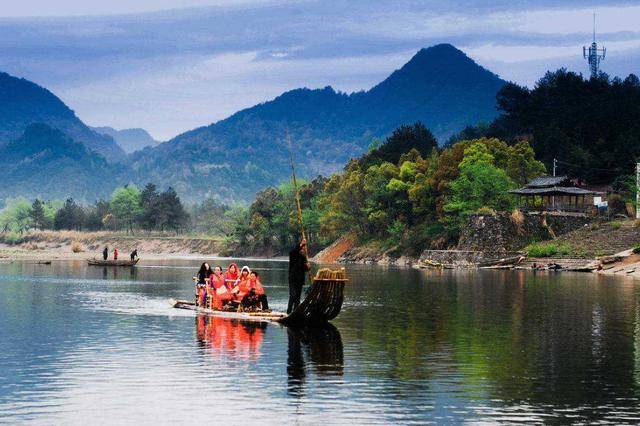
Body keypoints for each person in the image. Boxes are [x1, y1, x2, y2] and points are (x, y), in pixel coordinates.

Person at [288, 238, 310, 314]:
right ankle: (289, 311)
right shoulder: (293, 255)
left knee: (297, 297)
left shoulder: (304, 258)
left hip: (300, 279)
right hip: (293, 278)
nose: (303, 249)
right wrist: (301, 244)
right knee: (293, 295)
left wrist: (307, 267)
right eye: (302, 248)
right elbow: (293, 251)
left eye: (304, 248)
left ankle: (295, 312)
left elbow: (305, 269)